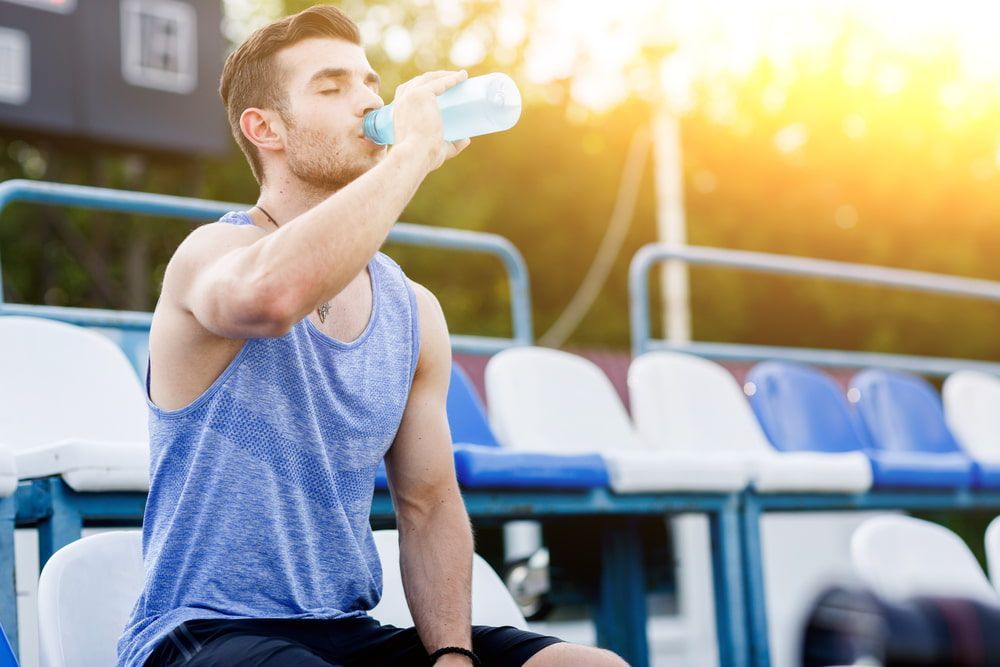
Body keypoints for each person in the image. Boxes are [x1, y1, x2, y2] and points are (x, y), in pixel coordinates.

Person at [116, 5, 627, 666]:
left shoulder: (414, 311)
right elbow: (274, 297)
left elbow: (429, 503)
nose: (366, 101)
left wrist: (452, 655)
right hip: (204, 631)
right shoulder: (210, 255)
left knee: (589, 666)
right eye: (331, 87)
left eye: (368, 83)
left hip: (346, 631)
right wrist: (412, 153)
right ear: (264, 128)